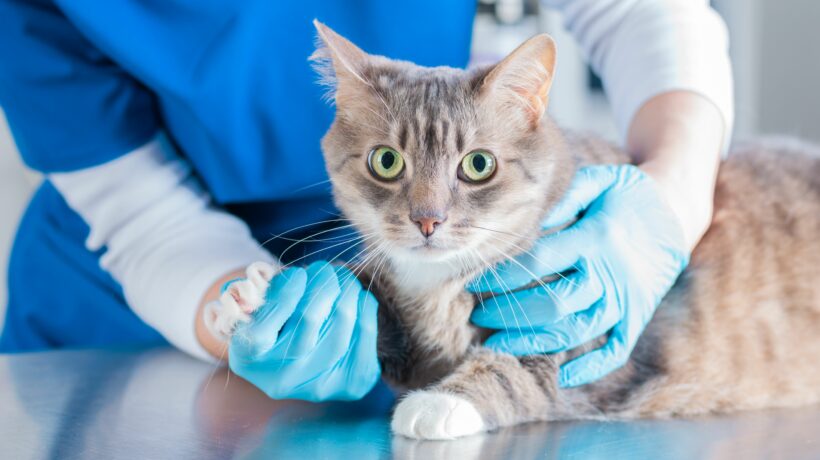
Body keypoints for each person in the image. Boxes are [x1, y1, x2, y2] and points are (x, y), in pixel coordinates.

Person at [0, 0, 731, 399]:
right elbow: (138, 212)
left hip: (400, 255)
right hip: (119, 311)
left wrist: (675, 193)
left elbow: (637, 9)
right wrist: (237, 316)